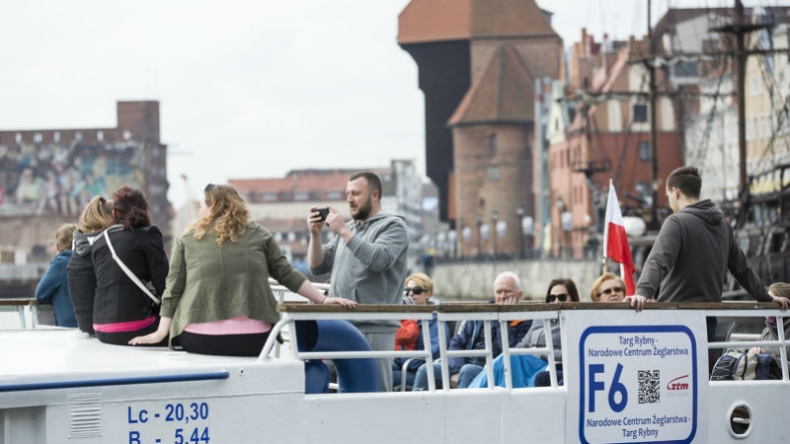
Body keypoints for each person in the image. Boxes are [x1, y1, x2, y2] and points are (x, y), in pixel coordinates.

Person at [130, 184, 356, 355]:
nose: (199, 209)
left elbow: (173, 289)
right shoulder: (258, 234)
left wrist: (160, 333)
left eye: (202, 205)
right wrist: (322, 299)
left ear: (213, 207)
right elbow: (286, 274)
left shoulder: (187, 239)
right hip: (253, 339)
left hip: (198, 338)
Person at [627, 166, 790, 339]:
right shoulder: (723, 225)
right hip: (708, 320)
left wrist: (642, 292)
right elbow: (743, 269)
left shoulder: (676, 222)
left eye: (668, 196)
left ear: (675, 192)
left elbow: (658, 261)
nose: (669, 201)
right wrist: (765, 298)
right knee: (704, 366)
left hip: (675, 319)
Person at [307, 171, 409, 392]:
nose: (349, 199)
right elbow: (317, 266)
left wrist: (342, 230)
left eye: (356, 193)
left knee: (375, 392)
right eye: (347, 193)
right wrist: (315, 235)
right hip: (343, 325)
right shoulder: (351, 229)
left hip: (374, 327)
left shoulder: (393, 226)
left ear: (374, 195)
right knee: (345, 394)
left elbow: (379, 260)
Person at [412, 271, 531, 390]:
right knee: (426, 370)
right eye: (499, 292)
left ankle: (461, 408)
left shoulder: (525, 321)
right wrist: (456, 370)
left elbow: (510, 352)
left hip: (494, 369)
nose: (503, 296)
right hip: (464, 364)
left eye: (507, 291)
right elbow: (456, 343)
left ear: (519, 295)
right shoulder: (479, 314)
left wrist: (503, 318)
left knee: (467, 371)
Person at [89, 186, 169, 346]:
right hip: (133, 328)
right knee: (183, 327)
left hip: (101, 328)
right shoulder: (149, 234)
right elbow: (165, 286)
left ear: (114, 213)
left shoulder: (100, 240)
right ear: (145, 210)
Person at [392, 272, 450, 389]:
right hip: (406, 366)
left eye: (417, 290)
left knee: (387, 375)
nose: (411, 294)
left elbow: (434, 353)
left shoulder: (437, 321)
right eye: (408, 290)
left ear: (428, 294)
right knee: (381, 368)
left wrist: (401, 358)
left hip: (423, 371)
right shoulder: (405, 318)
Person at [519, 278, 580, 387]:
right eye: (552, 298)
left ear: (573, 299)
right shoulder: (540, 318)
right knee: (504, 360)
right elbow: (522, 345)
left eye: (562, 297)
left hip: (549, 365)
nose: (556, 302)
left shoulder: (576, 322)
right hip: (530, 365)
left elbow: (570, 354)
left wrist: (539, 353)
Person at [67, 196, 114, 334]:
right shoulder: (106, 249)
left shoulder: (78, 250)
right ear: (111, 219)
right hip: (105, 329)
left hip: (85, 327)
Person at [35, 223, 78, 327]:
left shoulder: (60, 263)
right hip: (91, 325)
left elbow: (40, 294)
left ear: (58, 246)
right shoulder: (88, 259)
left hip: (68, 327)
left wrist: (56, 298)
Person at [749, 282, 790, 362]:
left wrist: (765, 356)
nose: (766, 305)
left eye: (771, 301)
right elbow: (755, 349)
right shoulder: (767, 330)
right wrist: (753, 351)